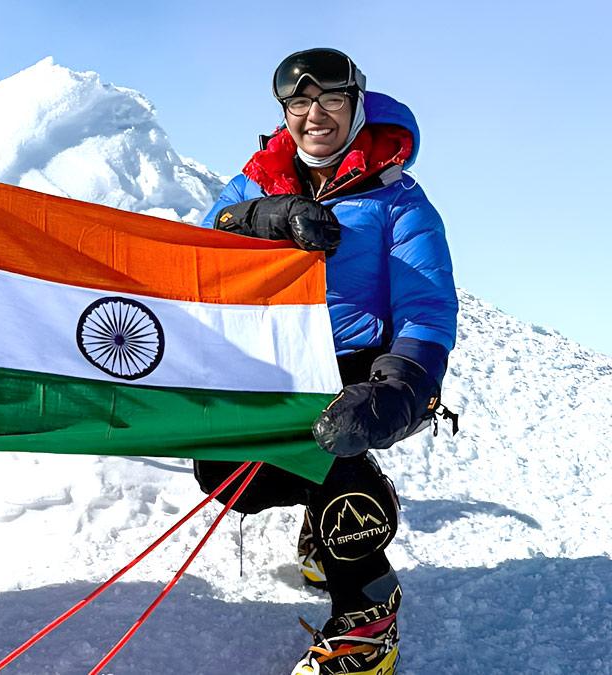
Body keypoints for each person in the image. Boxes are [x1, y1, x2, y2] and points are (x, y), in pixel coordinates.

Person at [194, 48, 457, 675]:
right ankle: (329, 505)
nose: (315, 115)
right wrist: (259, 219)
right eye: (299, 104)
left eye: (331, 100)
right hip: (268, 362)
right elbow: (200, 246)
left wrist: (401, 386)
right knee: (227, 480)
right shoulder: (253, 181)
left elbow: (426, 304)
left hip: (355, 365)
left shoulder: (399, 202)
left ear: (356, 105)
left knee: (333, 447)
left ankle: (367, 618)